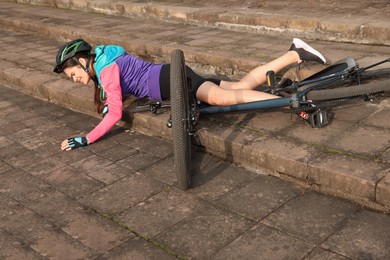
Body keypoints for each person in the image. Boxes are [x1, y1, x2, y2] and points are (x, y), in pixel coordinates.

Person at [53, 38, 326, 151]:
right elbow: (118, 94)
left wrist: (86, 138)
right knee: (240, 87)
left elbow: (114, 112)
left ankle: (294, 104)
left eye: (74, 74)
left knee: (225, 98)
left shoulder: (106, 70)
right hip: (171, 75)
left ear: (82, 61)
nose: (76, 80)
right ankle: (294, 53)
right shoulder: (104, 61)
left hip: (174, 81)